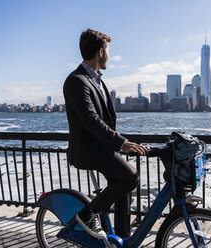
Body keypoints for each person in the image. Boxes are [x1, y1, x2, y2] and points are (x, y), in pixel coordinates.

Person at [63, 29, 146, 242]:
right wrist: (122, 143)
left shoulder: (97, 80)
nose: (110, 55)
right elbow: (90, 120)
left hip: (102, 147)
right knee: (131, 177)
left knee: (123, 183)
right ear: (101, 52)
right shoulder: (76, 80)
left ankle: (121, 239)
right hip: (88, 150)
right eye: (109, 50)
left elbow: (103, 120)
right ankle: (88, 214)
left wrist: (119, 138)